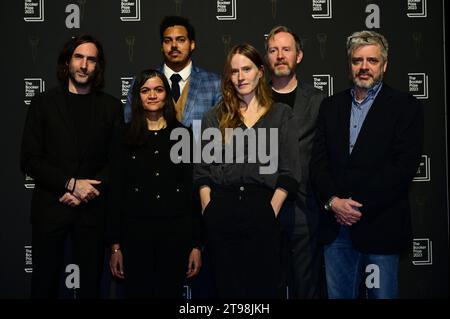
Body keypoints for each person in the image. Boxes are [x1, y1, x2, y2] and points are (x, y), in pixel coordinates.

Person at [310, 30, 424, 299]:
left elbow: (402, 169)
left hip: (381, 226)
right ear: (349, 65)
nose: (364, 67)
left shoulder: (405, 107)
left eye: (372, 61)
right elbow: (318, 162)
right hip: (336, 230)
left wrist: (355, 205)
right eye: (357, 60)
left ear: (384, 65)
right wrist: (333, 202)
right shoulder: (330, 106)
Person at [20, 34, 124, 298]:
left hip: (92, 211)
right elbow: (30, 159)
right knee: (43, 285)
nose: (84, 65)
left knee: (91, 286)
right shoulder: (43, 104)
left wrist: (87, 190)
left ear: (98, 67)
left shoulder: (111, 107)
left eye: (91, 59)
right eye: (79, 57)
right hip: (51, 207)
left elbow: (118, 161)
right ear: (67, 62)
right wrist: (69, 184)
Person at [194, 43, 299, 298]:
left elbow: (290, 170)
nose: (241, 77)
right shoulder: (214, 117)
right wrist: (208, 207)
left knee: (262, 290)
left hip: (263, 207)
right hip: (222, 209)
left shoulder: (281, 114)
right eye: (234, 71)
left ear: (260, 71)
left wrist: (270, 210)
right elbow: (202, 171)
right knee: (224, 289)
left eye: (247, 69)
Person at [108, 69, 202, 298]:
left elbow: (192, 192)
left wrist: (196, 245)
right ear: (137, 96)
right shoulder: (123, 136)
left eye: (158, 90)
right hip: (135, 235)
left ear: (166, 95)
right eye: (145, 90)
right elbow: (116, 192)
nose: (152, 95)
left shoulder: (183, 136)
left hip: (175, 235)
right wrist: (115, 246)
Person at [265, 25, 326, 299]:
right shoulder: (253, 100)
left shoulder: (318, 101)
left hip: (305, 211)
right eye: (273, 50)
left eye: (286, 50)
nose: (280, 56)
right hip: (263, 210)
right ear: (266, 58)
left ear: (298, 56)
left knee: (307, 289)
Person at [124, 15, 221, 127]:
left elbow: (223, 129)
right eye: (168, 41)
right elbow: (129, 127)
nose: (174, 45)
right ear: (162, 46)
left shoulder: (215, 84)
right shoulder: (141, 82)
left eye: (181, 40)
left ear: (192, 44)